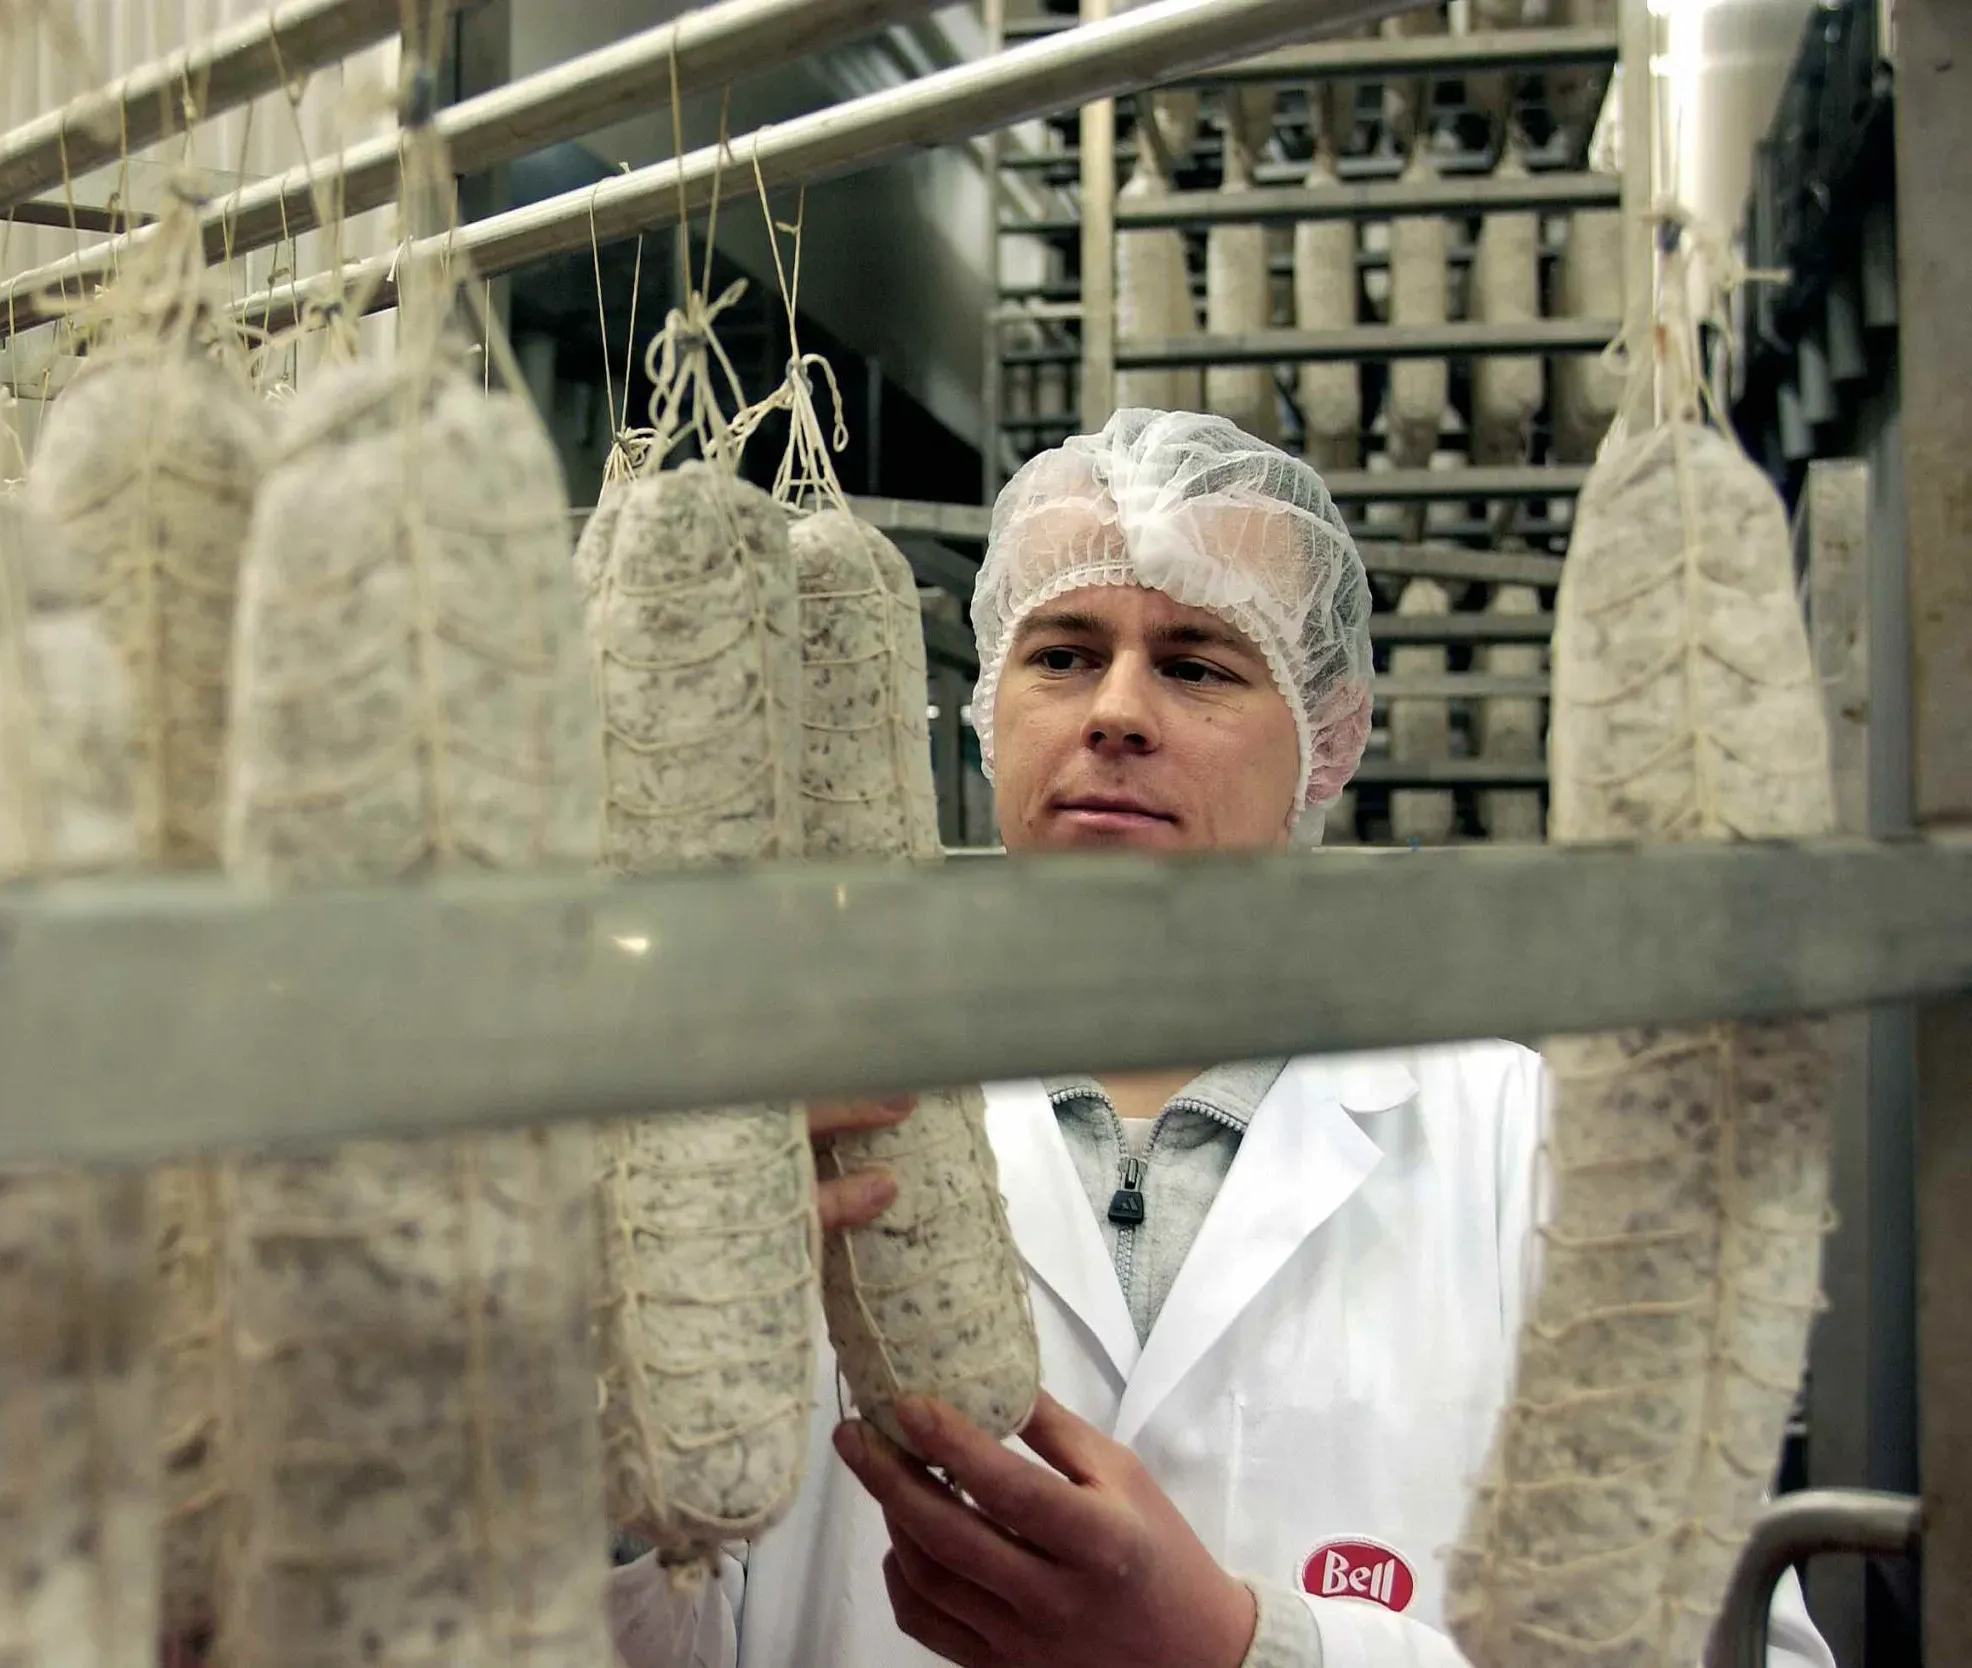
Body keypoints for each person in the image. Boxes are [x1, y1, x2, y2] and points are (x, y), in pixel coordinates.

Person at [607, 410, 1830, 1668]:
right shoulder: (792, 1111)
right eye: (1062, 654)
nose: (1115, 712)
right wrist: (598, 1438)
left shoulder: (1524, 1149)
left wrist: (1250, 1652)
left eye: (1196, 665)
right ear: (986, 710)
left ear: (1326, 738)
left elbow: (1746, 1652)